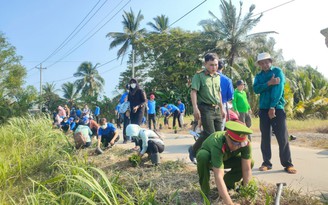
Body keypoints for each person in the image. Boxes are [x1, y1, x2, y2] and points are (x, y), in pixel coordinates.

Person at [253, 52, 297, 174]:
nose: (265, 64)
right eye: (262, 63)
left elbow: (278, 89)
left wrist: (272, 106)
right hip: (263, 109)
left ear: (270, 61)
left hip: (277, 108)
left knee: (282, 137)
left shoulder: (277, 72)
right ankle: (266, 163)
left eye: (267, 61)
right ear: (260, 64)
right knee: (265, 137)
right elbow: (256, 89)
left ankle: (288, 164)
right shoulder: (258, 76)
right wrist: (269, 83)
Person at [196, 121, 253, 203]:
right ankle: (205, 192)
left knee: (250, 162)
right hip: (211, 159)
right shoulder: (217, 142)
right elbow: (218, 175)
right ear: (226, 136)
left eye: (240, 144)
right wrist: (229, 203)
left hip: (227, 158)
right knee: (203, 156)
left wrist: (246, 193)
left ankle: (228, 184)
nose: (237, 146)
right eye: (234, 143)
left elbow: (247, 169)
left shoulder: (245, 143)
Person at [189, 53, 225, 164]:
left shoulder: (218, 77)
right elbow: (193, 92)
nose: (214, 67)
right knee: (210, 134)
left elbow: (219, 93)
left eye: (216, 65)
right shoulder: (199, 76)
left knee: (219, 135)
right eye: (211, 65)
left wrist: (222, 108)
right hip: (205, 108)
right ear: (205, 64)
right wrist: (195, 108)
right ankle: (198, 152)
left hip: (216, 109)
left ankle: (198, 151)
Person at [217, 60, 234, 130]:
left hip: (207, 105)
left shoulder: (207, 77)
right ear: (223, 68)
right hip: (222, 105)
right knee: (220, 127)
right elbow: (230, 96)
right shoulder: (227, 80)